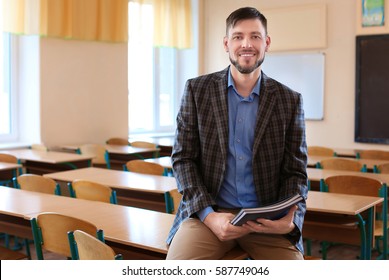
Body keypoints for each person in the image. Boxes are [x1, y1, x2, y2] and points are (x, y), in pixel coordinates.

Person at [166, 6, 308, 260]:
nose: (246, 44)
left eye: (255, 36)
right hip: (210, 215)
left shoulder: (290, 101)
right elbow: (183, 159)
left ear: (266, 43)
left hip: (266, 221)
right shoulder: (197, 91)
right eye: (238, 36)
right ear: (226, 43)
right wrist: (208, 216)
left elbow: (295, 172)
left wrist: (291, 220)